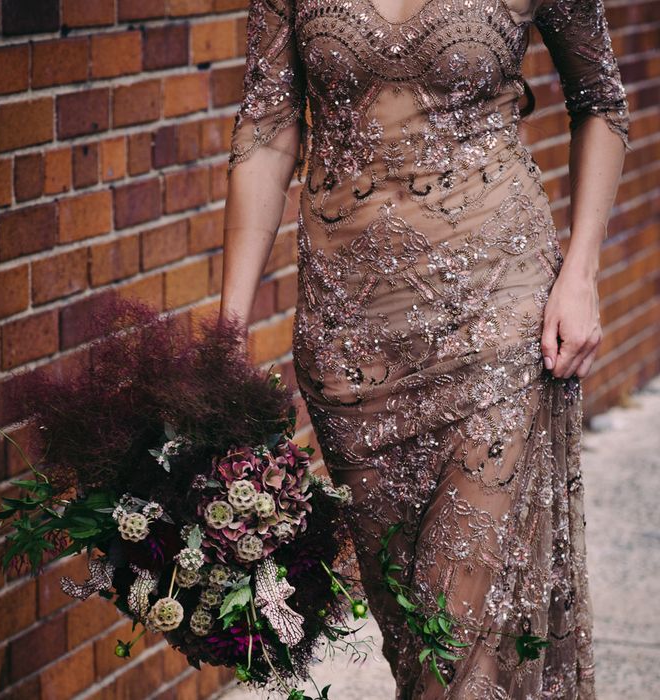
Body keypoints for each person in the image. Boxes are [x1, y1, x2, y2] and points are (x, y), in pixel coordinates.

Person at [218, 0, 629, 696]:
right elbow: (267, 129)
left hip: (497, 321)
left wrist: (581, 273)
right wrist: (225, 335)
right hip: (349, 346)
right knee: (415, 643)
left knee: (461, 647)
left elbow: (601, 104)